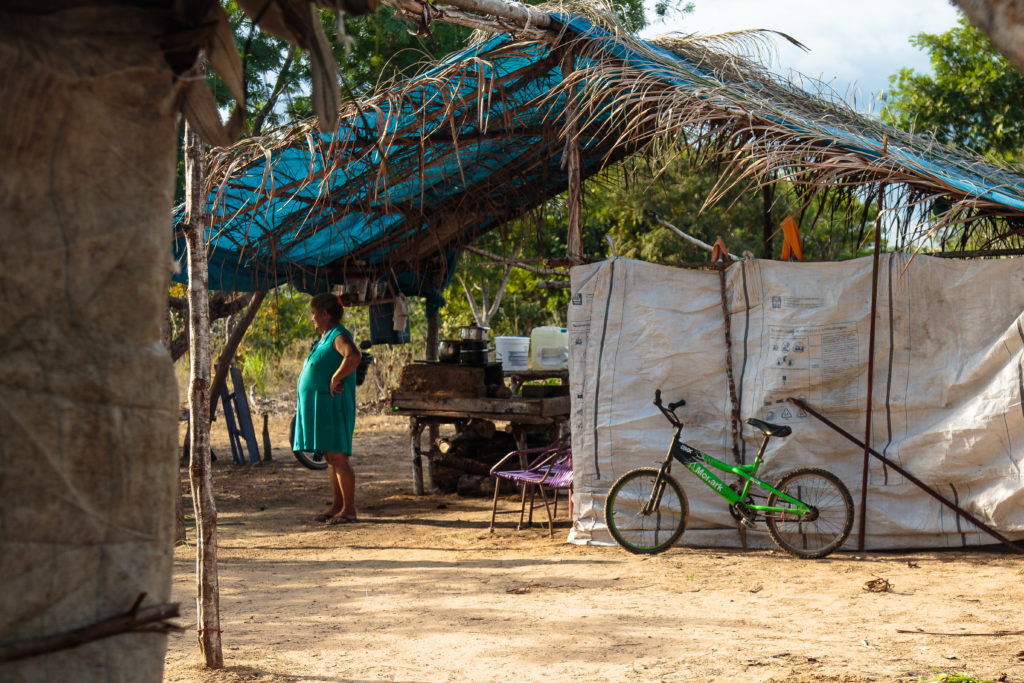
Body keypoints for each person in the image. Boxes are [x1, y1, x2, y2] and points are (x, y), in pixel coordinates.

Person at [294, 293, 362, 525]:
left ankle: (349, 510)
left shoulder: (339, 335)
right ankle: (337, 506)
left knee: (338, 457)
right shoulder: (325, 337)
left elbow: (353, 356)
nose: (312, 319)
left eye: (314, 314)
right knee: (331, 457)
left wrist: (336, 377)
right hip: (322, 405)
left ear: (324, 314)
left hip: (334, 404)